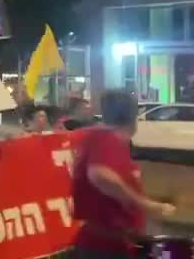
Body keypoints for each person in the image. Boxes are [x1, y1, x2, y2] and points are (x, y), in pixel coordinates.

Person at [71, 90, 175, 258]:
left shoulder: (109, 142)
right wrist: (147, 204)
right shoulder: (105, 139)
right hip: (103, 248)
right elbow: (100, 175)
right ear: (133, 117)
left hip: (114, 244)